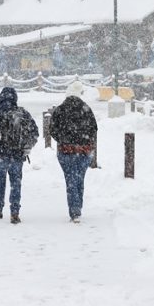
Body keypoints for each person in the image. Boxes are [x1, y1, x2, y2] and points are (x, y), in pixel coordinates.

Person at [0, 87, 39, 224]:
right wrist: (28, 146)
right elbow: (34, 132)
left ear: (0, 97)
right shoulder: (22, 113)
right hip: (17, 154)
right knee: (16, 183)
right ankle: (15, 212)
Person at [49, 81, 97, 223]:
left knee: (70, 179)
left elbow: (52, 129)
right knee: (79, 179)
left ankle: (74, 210)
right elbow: (94, 129)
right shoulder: (86, 109)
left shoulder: (60, 110)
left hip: (66, 151)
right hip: (83, 152)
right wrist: (85, 141)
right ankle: (78, 207)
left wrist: (63, 140)